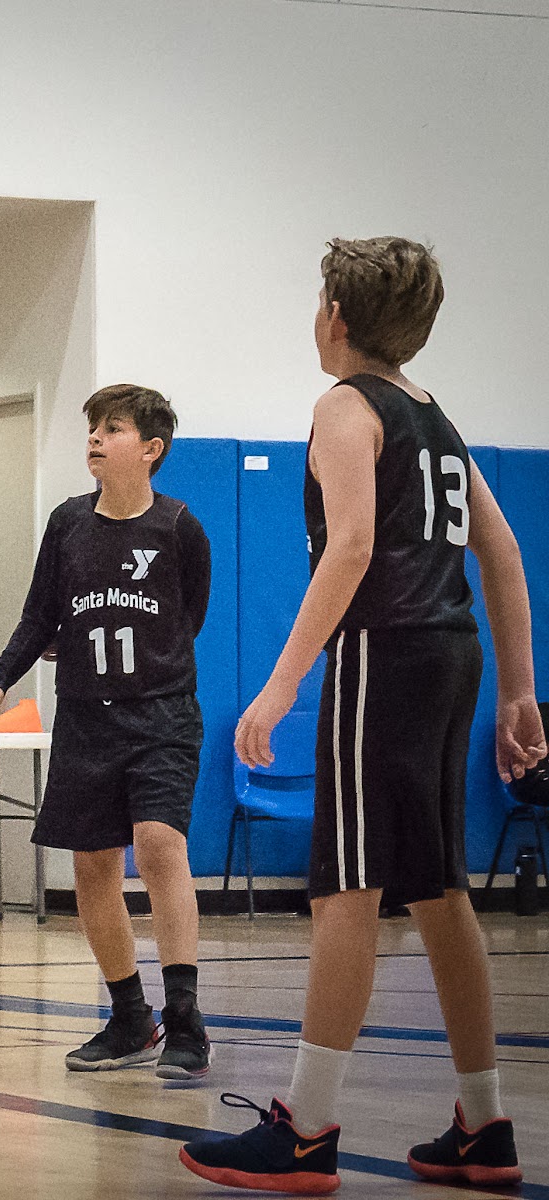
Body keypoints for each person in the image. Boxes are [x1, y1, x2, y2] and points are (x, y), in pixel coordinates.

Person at [181, 238, 544, 1193]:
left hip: (383, 654)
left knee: (346, 887)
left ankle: (305, 1128)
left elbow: (348, 551)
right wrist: (519, 691)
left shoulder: (344, 408)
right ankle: (484, 1120)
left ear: (334, 317)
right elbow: (502, 555)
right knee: (439, 886)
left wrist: (282, 681)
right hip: (452, 656)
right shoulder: (437, 418)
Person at [0, 384, 213, 1082]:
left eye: (112, 428)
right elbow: (39, 615)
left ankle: (187, 1017)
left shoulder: (178, 528)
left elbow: (187, 618)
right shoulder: (68, 523)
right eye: (92, 428)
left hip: (162, 713)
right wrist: (0, 676)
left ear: (151, 449)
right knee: (91, 866)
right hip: (85, 718)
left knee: (160, 844)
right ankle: (131, 1016)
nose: (96, 439)